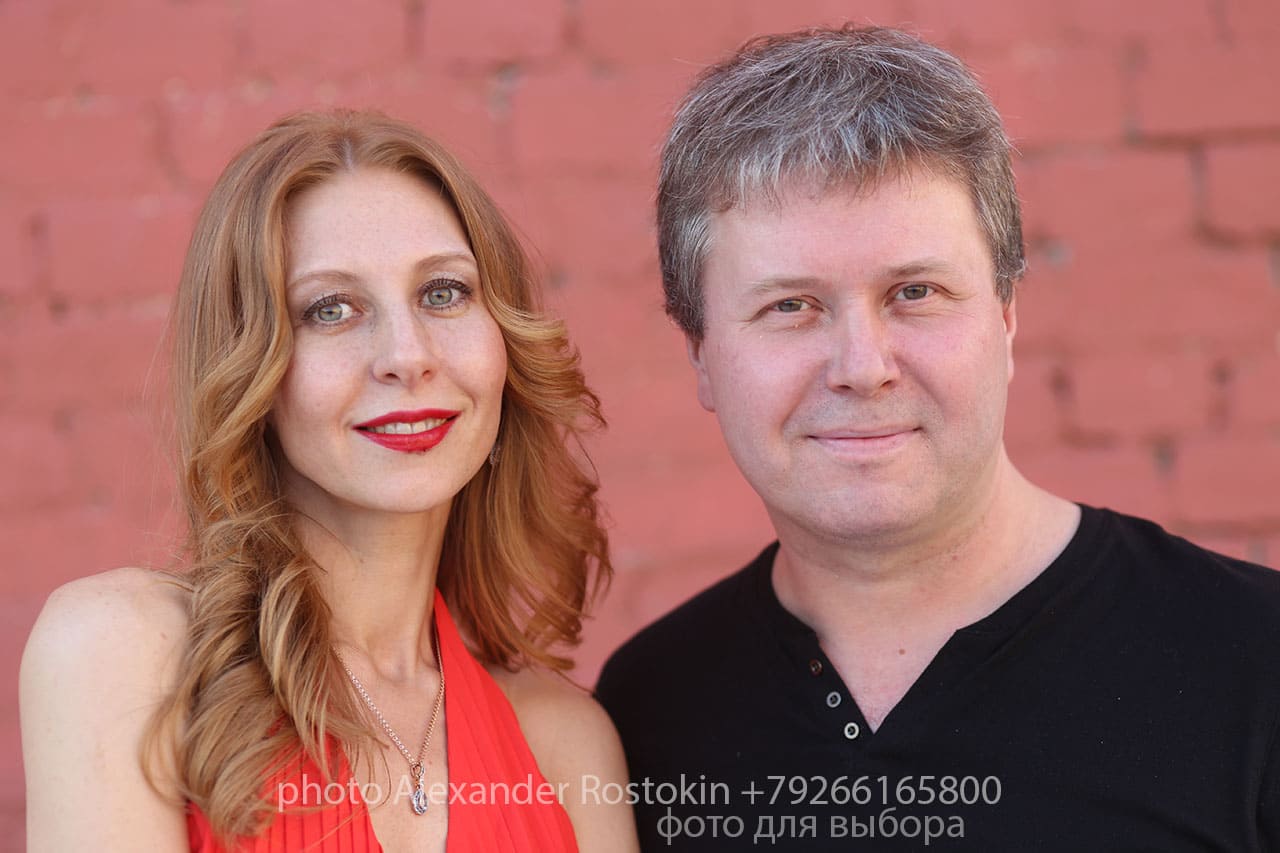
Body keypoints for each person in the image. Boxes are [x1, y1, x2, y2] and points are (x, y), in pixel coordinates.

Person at [596, 25, 1280, 851]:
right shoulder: (648, 713)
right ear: (701, 355)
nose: (862, 367)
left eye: (914, 291)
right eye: (790, 306)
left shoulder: (1254, 662)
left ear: (1006, 317)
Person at [21, 110, 639, 852]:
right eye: (330, 309)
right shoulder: (123, 654)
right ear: (250, 369)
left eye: (443, 292)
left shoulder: (565, 744)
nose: (407, 356)